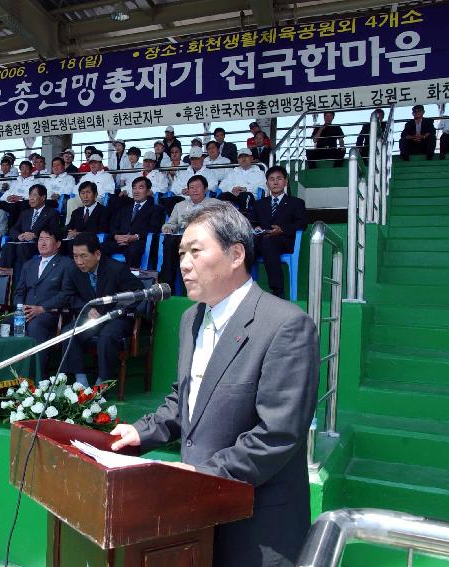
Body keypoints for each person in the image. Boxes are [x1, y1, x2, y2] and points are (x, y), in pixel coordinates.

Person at [109, 202, 319, 567]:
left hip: (255, 526)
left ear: (236, 254)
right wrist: (144, 432)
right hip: (197, 517)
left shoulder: (286, 325)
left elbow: (278, 434)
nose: (184, 264)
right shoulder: (193, 317)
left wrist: (203, 476)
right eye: (180, 253)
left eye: (195, 251)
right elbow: (185, 398)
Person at [59, 232, 143, 386]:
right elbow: (68, 296)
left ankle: (103, 382)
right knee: (68, 332)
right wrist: (86, 309)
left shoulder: (116, 269)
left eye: (83, 256)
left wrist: (116, 311)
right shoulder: (73, 269)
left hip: (116, 318)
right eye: (75, 256)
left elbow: (137, 293)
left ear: (97, 254)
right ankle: (80, 381)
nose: (79, 261)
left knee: (107, 336)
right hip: (92, 318)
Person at [12, 226, 75, 371]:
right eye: (40, 239)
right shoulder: (29, 265)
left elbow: (66, 294)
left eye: (47, 239)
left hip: (50, 313)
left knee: (36, 325)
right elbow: (19, 292)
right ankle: (7, 374)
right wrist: (20, 308)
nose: (42, 243)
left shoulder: (66, 264)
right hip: (25, 312)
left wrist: (42, 309)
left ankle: (37, 375)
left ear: (58, 244)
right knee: (5, 323)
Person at [251, 166, 307, 299]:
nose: (275, 182)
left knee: (268, 241)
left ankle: (278, 292)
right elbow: (251, 221)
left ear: (286, 181)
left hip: (283, 240)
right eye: (271, 179)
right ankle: (240, 290)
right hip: (260, 241)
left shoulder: (296, 203)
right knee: (243, 244)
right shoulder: (259, 204)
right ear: (267, 184)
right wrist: (256, 227)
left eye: (279, 179)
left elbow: (302, 224)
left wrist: (282, 229)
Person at [160, 175, 220, 294]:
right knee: (169, 241)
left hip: (205, 239)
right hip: (181, 239)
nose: (194, 190)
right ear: (187, 190)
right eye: (191, 187)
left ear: (206, 189)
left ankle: (191, 289)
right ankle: (167, 285)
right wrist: (169, 228)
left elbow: (220, 223)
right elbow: (170, 223)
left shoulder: (215, 204)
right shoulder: (180, 206)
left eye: (198, 187)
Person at [0, 184, 60, 282]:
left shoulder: (51, 213)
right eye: (30, 196)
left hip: (38, 244)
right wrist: (18, 235)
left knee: (21, 248)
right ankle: (4, 283)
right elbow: (13, 229)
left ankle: (22, 282)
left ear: (43, 197)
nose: (31, 199)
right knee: (7, 247)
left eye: (34, 195)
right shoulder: (25, 213)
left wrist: (35, 235)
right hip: (22, 243)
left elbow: (55, 231)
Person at [102, 176, 165, 268]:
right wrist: (116, 236)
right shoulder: (124, 208)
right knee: (98, 248)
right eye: (134, 188)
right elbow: (113, 225)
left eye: (140, 187)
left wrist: (135, 237)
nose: (136, 191)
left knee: (133, 250)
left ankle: (130, 279)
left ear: (148, 191)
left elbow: (154, 228)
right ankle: (104, 278)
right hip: (120, 241)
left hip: (139, 243)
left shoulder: (156, 209)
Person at [218, 148, 265, 216]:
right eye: (240, 157)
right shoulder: (233, 172)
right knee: (223, 195)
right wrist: (232, 189)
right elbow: (222, 185)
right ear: (238, 160)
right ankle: (220, 217)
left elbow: (263, 186)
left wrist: (245, 189)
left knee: (245, 195)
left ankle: (244, 218)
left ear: (251, 158)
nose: (243, 159)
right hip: (235, 195)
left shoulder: (259, 172)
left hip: (251, 197)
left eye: (246, 156)